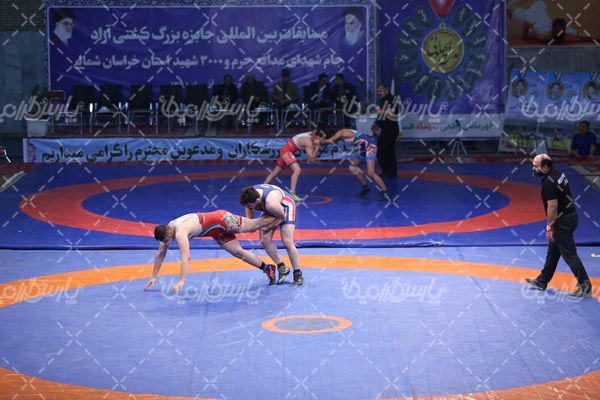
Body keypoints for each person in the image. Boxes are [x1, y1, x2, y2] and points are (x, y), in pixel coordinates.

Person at [146, 210, 280, 293]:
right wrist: (153, 276)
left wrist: (181, 281)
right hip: (215, 231)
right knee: (238, 252)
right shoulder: (168, 230)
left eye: (168, 239)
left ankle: (281, 213)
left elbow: (186, 257)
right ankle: (268, 268)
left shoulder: (180, 231)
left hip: (223, 219)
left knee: (254, 225)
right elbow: (160, 253)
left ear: (169, 232)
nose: (168, 242)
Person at [525, 154, 592, 297]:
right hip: (570, 216)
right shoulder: (559, 174)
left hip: (562, 222)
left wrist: (549, 226)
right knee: (553, 252)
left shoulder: (548, 183)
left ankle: (585, 285)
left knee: (569, 255)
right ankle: (542, 280)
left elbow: (553, 206)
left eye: (536, 166)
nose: (533, 168)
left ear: (545, 167)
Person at [240, 184, 303, 286]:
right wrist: (247, 227)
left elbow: (282, 217)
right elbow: (250, 223)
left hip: (285, 208)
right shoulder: (250, 198)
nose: (249, 208)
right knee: (264, 239)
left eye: (250, 206)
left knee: (287, 241)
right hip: (270, 209)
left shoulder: (270, 203)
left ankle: (297, 274)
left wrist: (268, 227)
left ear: (256, 201)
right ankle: (282, 267)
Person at [322, 128, 392, 201]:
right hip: (363, 149)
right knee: (352, 167)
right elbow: (330, 142)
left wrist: (319, 141)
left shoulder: (342, 132)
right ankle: (366, 188)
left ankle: (386, 193)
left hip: (370, 147)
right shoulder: (340, 136)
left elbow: (329, 141)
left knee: (370, 173)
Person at [264, 126, 326, 201]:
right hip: (287, 152)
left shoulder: (311, 134)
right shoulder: (308, 141)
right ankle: (292, 194)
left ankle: (262, 188)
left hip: (285, 150)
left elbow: (316, 132)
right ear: (318, 137)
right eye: (321, 139)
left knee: (275, 173)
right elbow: (311, 158)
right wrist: (317, 146)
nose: (321, 141)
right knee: (297, 170)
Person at [373, 84, 400, 178]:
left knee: (387, 150)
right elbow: (381, 116)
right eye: (378, 91)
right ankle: (387, 170)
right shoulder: (382, 101)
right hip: (385, 129)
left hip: (391, 129)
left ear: (386, 90)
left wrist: (380, 111)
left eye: (380, 91)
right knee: (383, 150)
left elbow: (391, 113)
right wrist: (376, 124)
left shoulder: (393, 100)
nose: (379, 93)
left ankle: (390, 171)